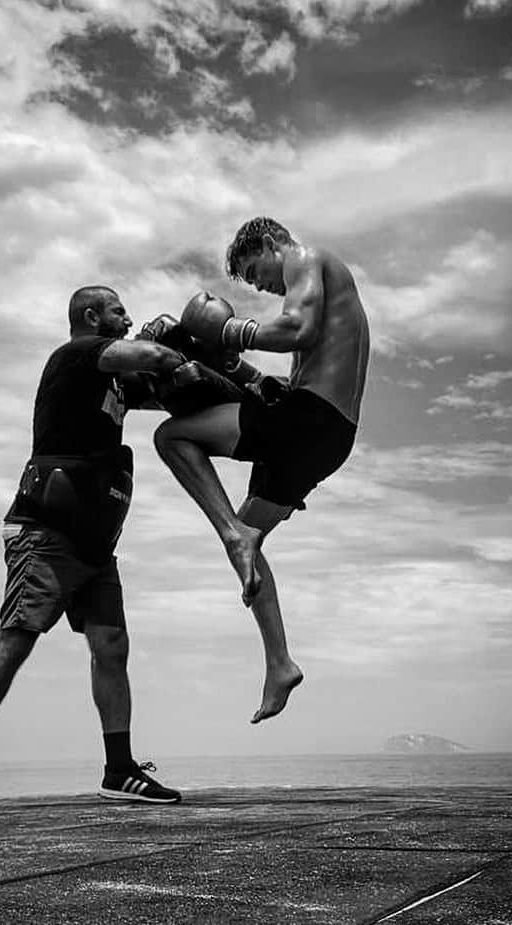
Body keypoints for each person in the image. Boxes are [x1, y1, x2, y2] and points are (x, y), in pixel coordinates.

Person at [0, 286, 187, 808]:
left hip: (95, 539)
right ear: (92, 316)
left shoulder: (113, 383)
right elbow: (156, 356)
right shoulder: (76, 355)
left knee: (112, 646)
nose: (128, 316)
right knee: (18, 638)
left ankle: (119, 770)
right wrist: (171, 338)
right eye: (119, 309)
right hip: (45, 530)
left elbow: (168, 388)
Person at [153, 217, 370, 724]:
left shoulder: (306, 256)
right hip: (327, 436)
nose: (261, 286)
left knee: (172, 436)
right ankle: (279, 663)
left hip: (310, 422)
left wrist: (226, 331)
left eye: (255, 271)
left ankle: (232, 534)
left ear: (270, 244)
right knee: (250, 538)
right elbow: (302, 358)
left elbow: (298, 328)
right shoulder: (319, 290)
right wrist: (242, 372)